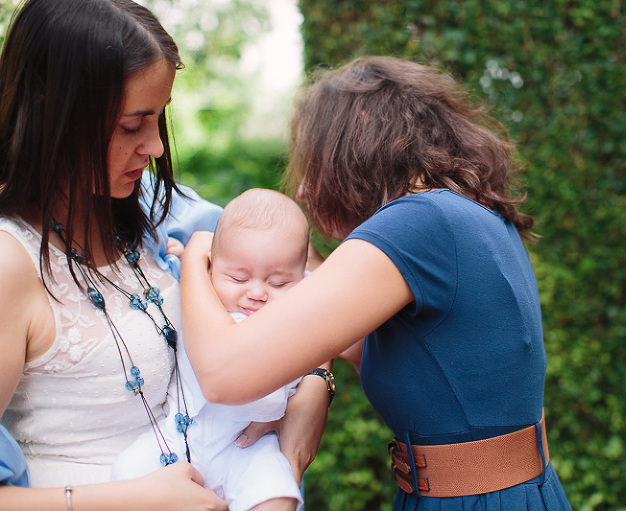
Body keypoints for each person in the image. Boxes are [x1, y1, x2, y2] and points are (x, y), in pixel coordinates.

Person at [180, 56, 572, 510]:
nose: (305, 190)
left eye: (316, 161)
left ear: (360, 139)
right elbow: (358, 346)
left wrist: (195, 255)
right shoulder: (462, 213)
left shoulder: (418, 224)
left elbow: (224, 374)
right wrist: (309, 388)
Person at [0, 1, 327, 509]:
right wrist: (130, 498)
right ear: (57, 118)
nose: (155, 146)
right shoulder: (9, 259)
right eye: (132, 125)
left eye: (160, 117)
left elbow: (314, 292)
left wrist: (313, 386)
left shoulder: (162, 213)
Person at [112, 188, 312, 511]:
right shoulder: (199, 302)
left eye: (279, 284)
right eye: (238, 278)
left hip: (248, 446)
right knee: (130, 469)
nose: (258, 293)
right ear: (211, 269)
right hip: (178, 435)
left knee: (277, 492)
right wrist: (183, 261)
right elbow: (178, 286)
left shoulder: (290, 329)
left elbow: (270, 398)